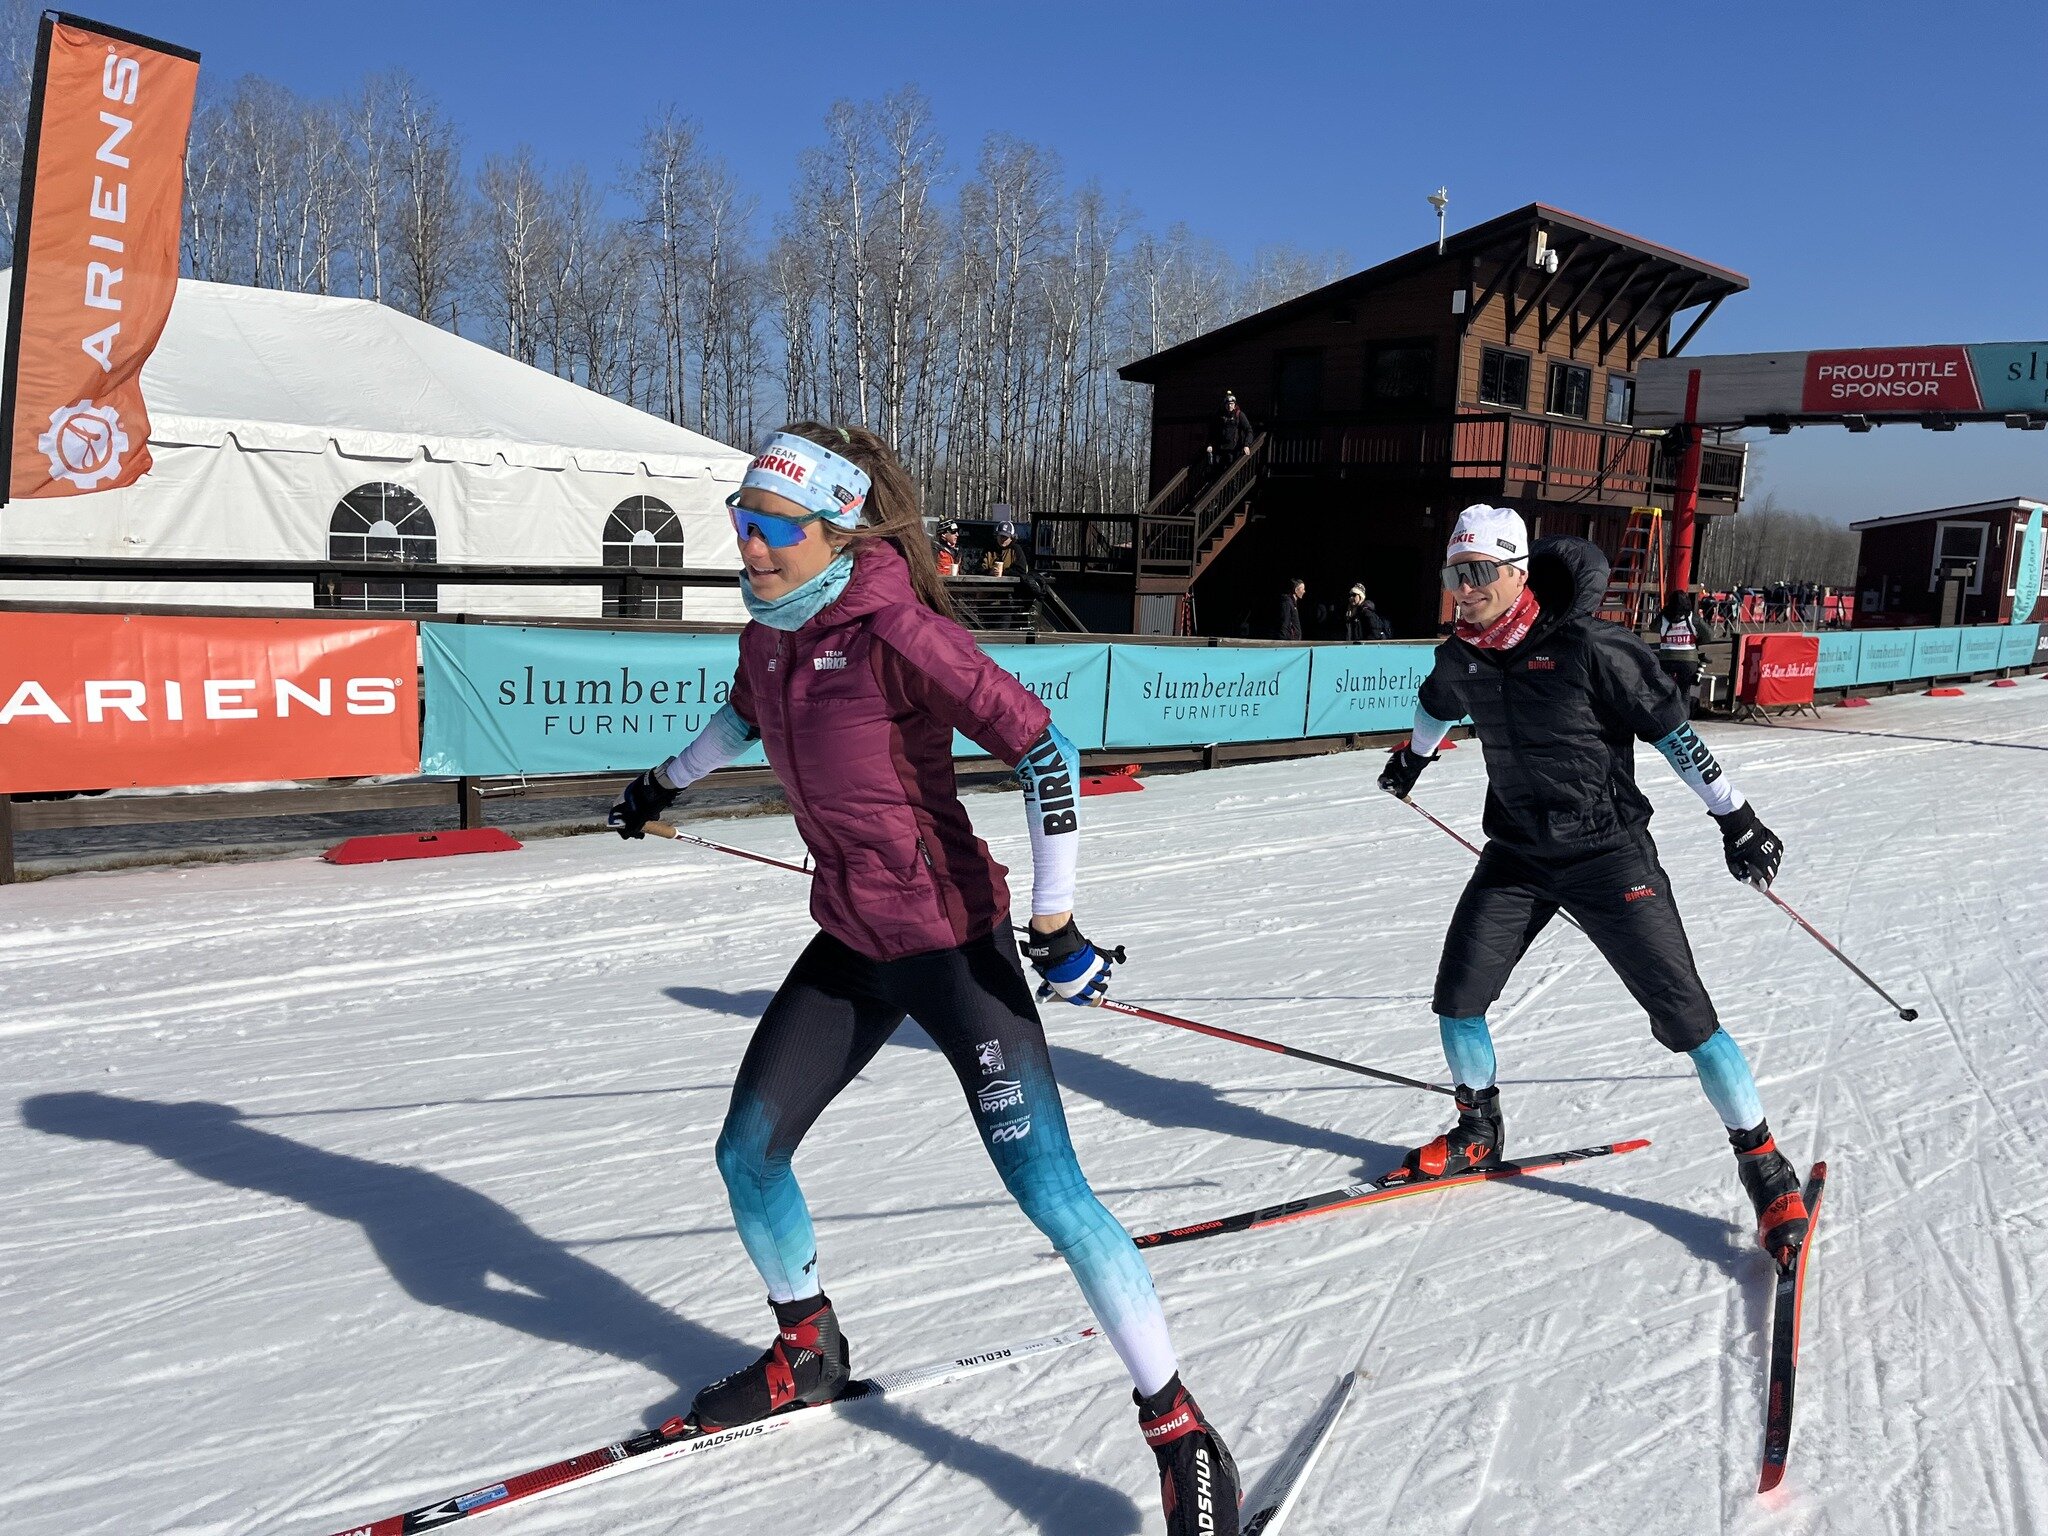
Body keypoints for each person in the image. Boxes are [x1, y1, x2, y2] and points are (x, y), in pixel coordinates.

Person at [607, 425, 1241, 1535]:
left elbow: (1042, 749)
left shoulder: (896, 628)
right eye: (737, 523)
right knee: (744, 1153)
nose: (745, 547)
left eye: (767, 529)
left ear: (835, 531)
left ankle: (1180, 1430)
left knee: (1052, 1198)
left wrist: (1055, 917)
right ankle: (805, 1350)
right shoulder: (771, 637)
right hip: (851, 939)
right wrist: (662, 785)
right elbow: (741, 718)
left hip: (952, 945)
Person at [1374, 503, 1810, 1265]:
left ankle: (1765, 1165)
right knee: (1457, 1000)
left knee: (1688, 1019)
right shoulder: (1462, 656)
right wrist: (1414, 759)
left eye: (1477, 574)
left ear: (1515, 574)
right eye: (1454, 574)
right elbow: (1436, 705)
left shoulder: (1592, 648)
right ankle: (1479, 1128)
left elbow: (1676, 736)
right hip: (1517, 854)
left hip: (1610, 856)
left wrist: (1736, 819)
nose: (1463, 589)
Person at [1656, 588, 1703, 708]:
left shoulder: (1663, 617)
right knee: (1685, 690)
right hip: (1688, 659)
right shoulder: (1692, 617)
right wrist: (1699, 641)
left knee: (1664, 688)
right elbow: (1709, 634)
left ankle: (1666, 714)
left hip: (1666, 658)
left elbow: (1653, 627)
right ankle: (1684, 718)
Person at [1203, 390, 1255, 486]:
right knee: (1217, 471)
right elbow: (1212, 432)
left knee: (1232, 472)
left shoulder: (1239, 415)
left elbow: (1249, 430)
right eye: (1228, 404)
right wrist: (1209, 444)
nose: (1230, 406)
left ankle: (1233, 488)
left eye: (1232, 404)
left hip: (1233, 450)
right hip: (1220, 449)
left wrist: (1246, 445)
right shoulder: (1219, 416)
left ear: (1235, 404)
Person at [1277, 576, 1305, 642]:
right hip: (1289, 642)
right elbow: (1285, 623)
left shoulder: (1293, 603)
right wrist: (1285, 642)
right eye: (1302, 589)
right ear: (1296, 590)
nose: (1304, 591)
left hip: (1294, 641)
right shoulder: (1287, 602)